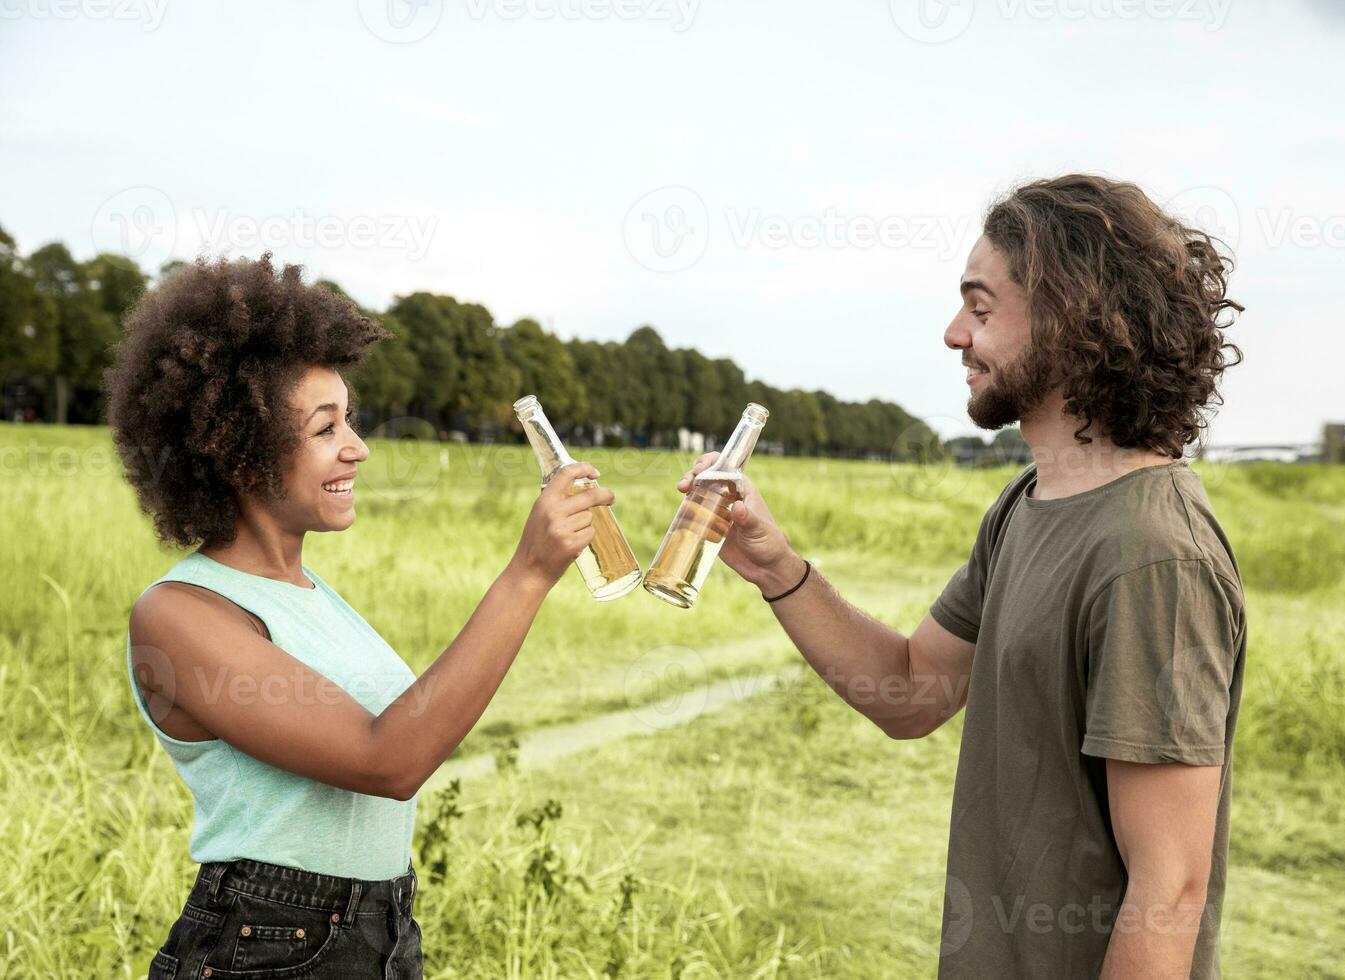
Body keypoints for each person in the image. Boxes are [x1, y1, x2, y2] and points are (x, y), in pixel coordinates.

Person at [676, 174, 1247, 979]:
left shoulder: (1153, 557)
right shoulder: (1025, 504)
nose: (953, 334)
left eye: (980, 309)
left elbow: (1171, 888)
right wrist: (777, 566)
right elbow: (911, 693)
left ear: (1073, 320)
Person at [106, 254, 611, 979]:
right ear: (241, 451)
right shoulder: (181, 614)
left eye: (352, 420)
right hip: (272, 941)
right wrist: (528, 574)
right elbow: (388, 760)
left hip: (382, 928)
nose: (358, 448)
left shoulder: (315, 596)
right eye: (325, 428)